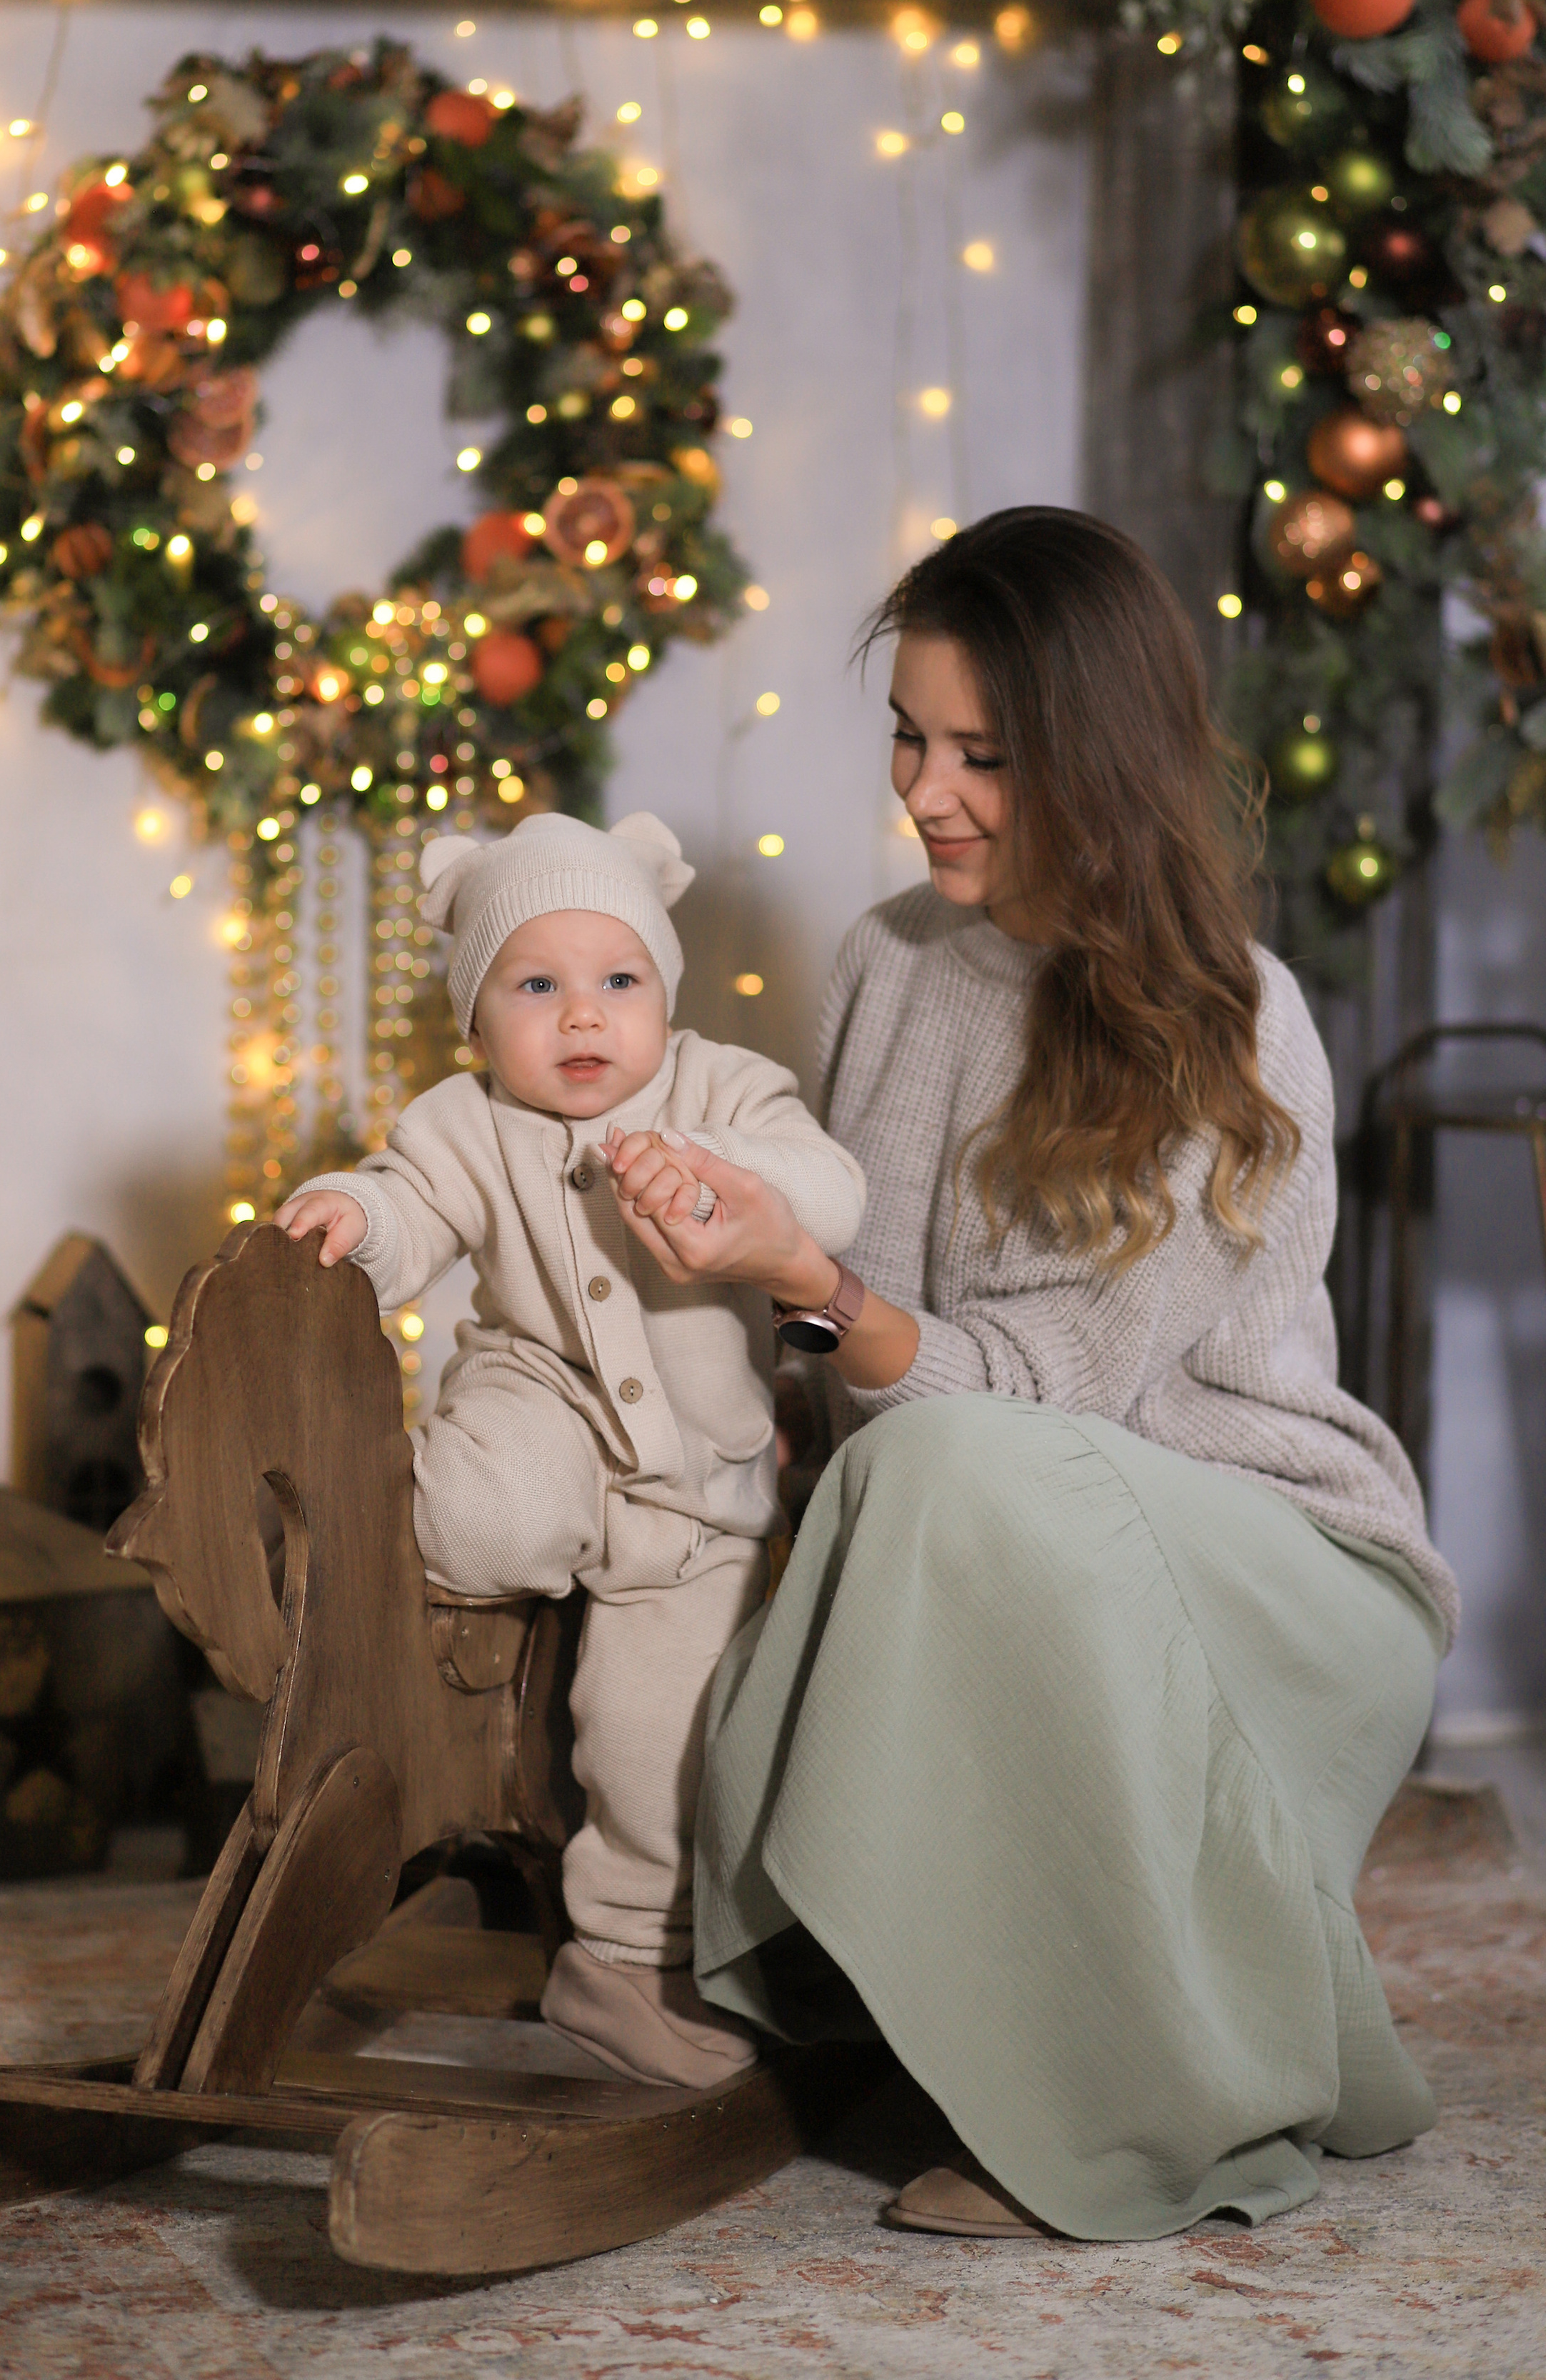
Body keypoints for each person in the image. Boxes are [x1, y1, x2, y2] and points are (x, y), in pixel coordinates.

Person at [604, 507, 1457, 2242]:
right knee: (899, 1485)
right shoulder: (884, 960)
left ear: (1096, 751)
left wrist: (802, 1278)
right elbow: (849, 1360)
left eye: (982, 754)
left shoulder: (1231, 1017)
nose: (928, 792)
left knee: (940, 1470)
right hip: (1000, 1525)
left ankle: (1129, 2105)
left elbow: (1023, 1386)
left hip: (1278, 1573)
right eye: (909, 741)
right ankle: (898, 1995)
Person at [275, 809, 864, 2091]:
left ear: (664, 992)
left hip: (696, 1489)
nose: (583, 1018)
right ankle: (361, 1528)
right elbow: (407, 1206)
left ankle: (620, 1963)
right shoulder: (465, 1123)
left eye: (617, 982)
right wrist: (353, 1219)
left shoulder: (722, 1090)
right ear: (479, 1022)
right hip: (535, 1399)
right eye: (537, 987)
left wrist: (725, 1174)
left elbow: (832, 1190)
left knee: (668, 1737)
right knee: (490, 1514)